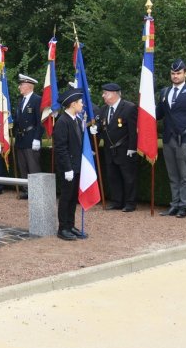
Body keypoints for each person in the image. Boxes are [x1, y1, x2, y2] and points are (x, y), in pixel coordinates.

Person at [156, 59, 186, 218]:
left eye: (178, 73)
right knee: (172, 175)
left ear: (185, 73)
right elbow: (158, 114)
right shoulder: (164, 92)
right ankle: (174, 204)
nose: (175, 76)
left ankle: (184, 206)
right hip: (168, 138)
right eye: (173, 73)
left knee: (184, 175)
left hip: (185, 138)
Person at [92, 83, 138, 212]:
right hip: (109, 149)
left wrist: (132, 147)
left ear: (114, 94)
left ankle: (130, 203)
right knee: (113, 177)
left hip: (125, 149)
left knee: (128, 177)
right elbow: (103, 129)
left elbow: (133, 131)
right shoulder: (103, 109)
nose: (103, 96)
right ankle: (117, 201)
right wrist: (95, 131)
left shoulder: (129, 108)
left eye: (105, 93)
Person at [53, 88, 87, 241]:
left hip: (77, 166)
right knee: (66, 197)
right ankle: (63, 228)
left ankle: (70, 225)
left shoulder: (77, 119)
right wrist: (67, 168)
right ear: (73, 104)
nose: (82, 104)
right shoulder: (62, 121)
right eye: (80, 102)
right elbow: (61, 148)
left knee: (73, 198)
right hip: (68, 167)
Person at [13, 74, 44, 199]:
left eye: (21, 85)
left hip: (31, 137)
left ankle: (36, 192)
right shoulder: (21, 100)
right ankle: (27, 190)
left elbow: (40, 121)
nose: (19, 87)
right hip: (20, 137)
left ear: (28, 86)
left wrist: (37, 138)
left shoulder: (37, 100)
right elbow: (17, 118)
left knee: (33, 166)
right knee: (23, 166)